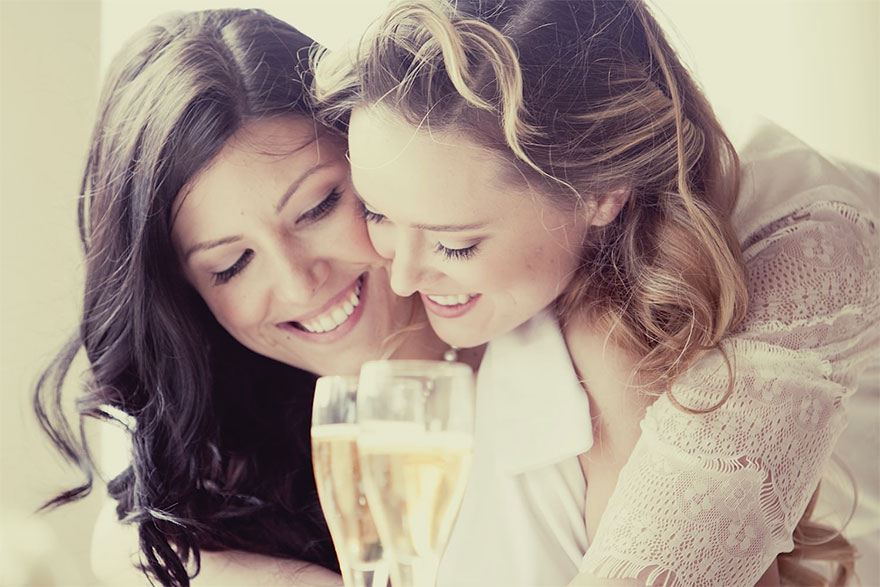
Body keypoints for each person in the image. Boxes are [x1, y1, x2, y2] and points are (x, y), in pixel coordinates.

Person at [312, 0, 879, 584]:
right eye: (376, 212)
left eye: (455, 245)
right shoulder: (556, 261)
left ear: (601, 194)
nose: (401, 278)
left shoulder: (801, 250)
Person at [33, 8, 471, 586]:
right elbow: (128, 548)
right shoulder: (203, 521)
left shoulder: (560, 335)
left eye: (317, 208)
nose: (298, 283)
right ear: (186, 297)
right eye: (231, 264)